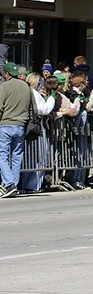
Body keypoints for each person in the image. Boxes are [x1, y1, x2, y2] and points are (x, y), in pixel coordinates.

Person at [0, 62, 32, 197]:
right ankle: (14, 183)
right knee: (17, 156)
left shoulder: (4, 86)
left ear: (7, 74)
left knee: (2, 155)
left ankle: (9, 184)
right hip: (21, 124)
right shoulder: (26, 86)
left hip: (6, 123)